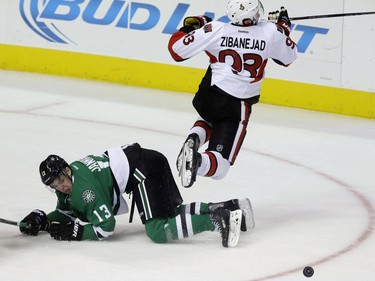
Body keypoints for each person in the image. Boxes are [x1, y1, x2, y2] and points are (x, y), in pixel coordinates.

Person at [19, 143, 254, 247]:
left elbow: (105, 228)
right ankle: (233, 208)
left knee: (158, 230)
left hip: (143, 170)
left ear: (67, 171)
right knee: (170, 213)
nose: (60, 187)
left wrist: (77, 232)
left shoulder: (84, 190)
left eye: (60, 180)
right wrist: (41, 219)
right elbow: (64, 213)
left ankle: (218, 220)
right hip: (148, 160)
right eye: (54, 185)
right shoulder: (73, 180)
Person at [168, 0, 298, 187]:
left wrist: (191, 27)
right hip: (235, 106)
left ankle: (195, 137)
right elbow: (288, 58)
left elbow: (176, 51)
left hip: (207, 96)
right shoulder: (271, 32)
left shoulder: (215, 28)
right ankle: (197, 161)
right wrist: (283, 27)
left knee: (210, 118)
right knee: (220, 167)